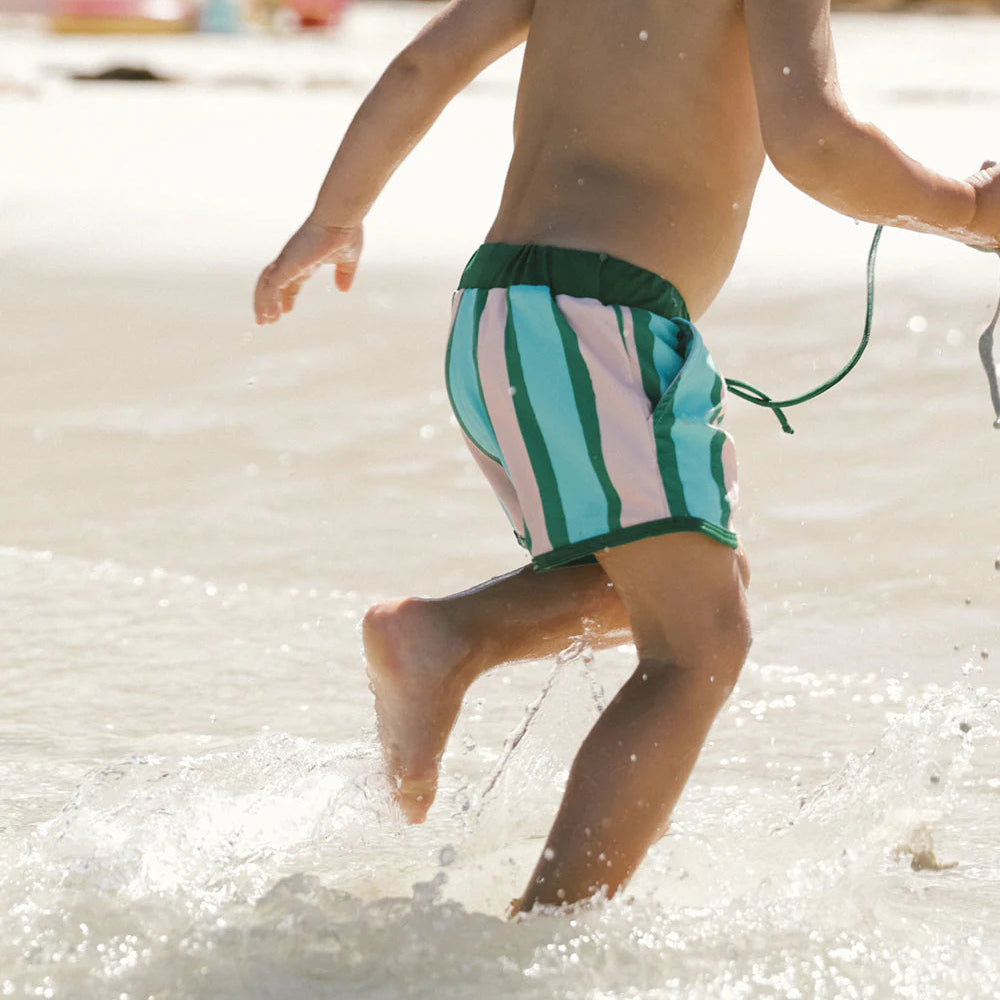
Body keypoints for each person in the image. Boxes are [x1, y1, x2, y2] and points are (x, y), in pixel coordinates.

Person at [253, 0, 1000, 915]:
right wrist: (968, 209)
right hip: (601, 321)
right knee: (699, 648)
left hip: (500, 313)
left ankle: (445, 638)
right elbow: (816, 144)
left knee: (691, 586)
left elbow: (424, 65)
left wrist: (337, 213)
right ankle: (545, 940)